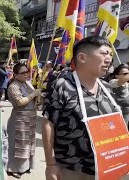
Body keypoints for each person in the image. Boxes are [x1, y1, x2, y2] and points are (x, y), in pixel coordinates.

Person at [42, 36, 126, 180]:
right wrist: (50, 164)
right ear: (82, 57)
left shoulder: (106, 87)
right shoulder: (62, 86)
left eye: (111, 55)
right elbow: (48, 124)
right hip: (72, 168)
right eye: (104, 53)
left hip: (106, 166)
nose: (109, 59)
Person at [6, 63, 41, 179]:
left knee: (28, 143)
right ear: (15, 75)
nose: (27, 74)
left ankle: (25, 167)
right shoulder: (13, 86)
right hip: (19, 119)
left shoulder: (28, 83)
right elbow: (19, 102)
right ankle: (14, 169)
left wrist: (38, 96)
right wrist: (33, 94)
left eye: (27, 71)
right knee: (18, 144)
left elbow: (35, 98)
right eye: (23, 72)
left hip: (30, 117)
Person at [110, 63, 129, 128]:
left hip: (127, 116)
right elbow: (118, 83)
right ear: (117, 76)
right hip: (116, 116)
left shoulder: (128, 85)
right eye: (125, 73)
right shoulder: (113, 82)